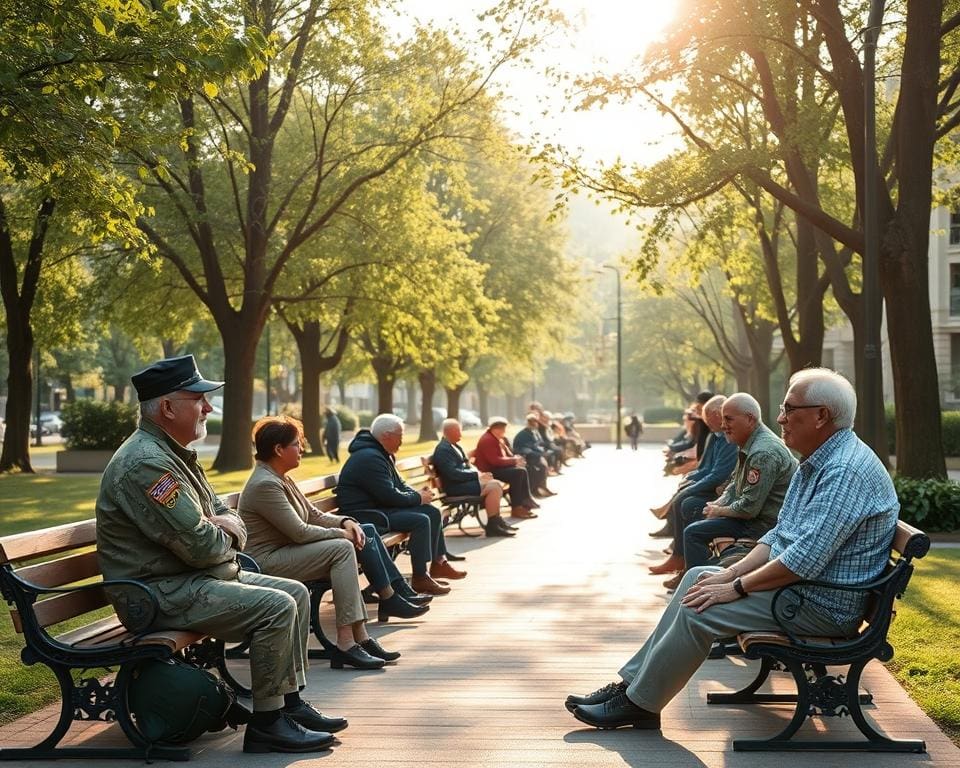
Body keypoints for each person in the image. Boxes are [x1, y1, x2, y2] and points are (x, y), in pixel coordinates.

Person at [565, 368, 898, 731]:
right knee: (697, 577)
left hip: (824, 605)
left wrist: (735, 588)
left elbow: (802, 561)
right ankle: (630, 687)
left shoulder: (844, 471)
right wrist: (730, 573)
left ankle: (640, 704)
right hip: (805, 590)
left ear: (821, 416)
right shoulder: (819, 461)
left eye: (789, 408)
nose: (781, 418)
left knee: (700, 611)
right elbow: (778, 537)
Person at [96, 355, 343, 754]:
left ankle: (287, 706)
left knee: (294, 593)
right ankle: (266, 725)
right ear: (168, 407)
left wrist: (222, 525)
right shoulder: (147, 464)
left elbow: (225, 514)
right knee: (277, 607)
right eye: (199, 398)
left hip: (194, 579)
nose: (209, 407)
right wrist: (219, 529)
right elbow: (201, 546)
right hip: (158, 593)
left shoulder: (174, 453)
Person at [239, 417, 431, 670]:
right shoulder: (265, 484)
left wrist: (346, 523)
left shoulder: (281, 478)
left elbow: (314, 516)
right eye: (297, 445)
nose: (302, 450)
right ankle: (347, 643)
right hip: (266, 561)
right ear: (278, 449)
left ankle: (359, 638)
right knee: (342, 548)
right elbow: (299, 532)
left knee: (351, 539)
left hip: (287, 552)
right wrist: (342, 536)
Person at [336, 414, 464, 596]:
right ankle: (420, 577)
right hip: (369, 515)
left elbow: (399, 486)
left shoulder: (380, 453)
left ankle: (438, 564)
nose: (402, 441)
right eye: (400, 436)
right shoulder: (369, 457)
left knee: (432, 512)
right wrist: (418, 498)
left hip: (381, 508)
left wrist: (417, 495)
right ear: (386, 436)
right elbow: (388, 496)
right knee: (420, 520)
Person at [681, 393, 798, 572]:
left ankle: (699, 582)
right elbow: (735, 484)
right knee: (693, 508)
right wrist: (717, 504)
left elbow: (748, 509)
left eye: (728, 419)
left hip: (764, 525)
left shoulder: (762, 453)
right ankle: (700, 574)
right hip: (755, 518)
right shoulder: (749, 442)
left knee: (693, 532)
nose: (723, 425)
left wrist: (718, 511)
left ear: (750, 419)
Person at [648, 395, 736, 545]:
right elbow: (704, 467)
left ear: (716, 414)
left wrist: (691, 486)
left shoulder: (727, 438)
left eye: (706, 417)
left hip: (721, 489)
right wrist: (691, 479)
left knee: (686, 501)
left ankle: (678, 550)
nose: (705, 422)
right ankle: (678, 549)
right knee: (684, 495)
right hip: (715, 485)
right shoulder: (714, 435)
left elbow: (718, 474)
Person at [432, 419, 516, 537]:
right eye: (458, 431)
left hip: (463, 483)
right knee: (494, 486)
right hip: (455, 488)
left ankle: (495, 522)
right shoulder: (443, 450)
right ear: (449, 432)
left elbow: (467, 466)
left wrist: (481, 475)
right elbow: (453, 474)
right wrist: (476, 476)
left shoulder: (454, 446)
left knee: (494, 483)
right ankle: (493, 525)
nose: (461, 434)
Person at [474, 416, 545, 511]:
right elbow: (495, 461)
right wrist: (514, 461)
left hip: (496, 468)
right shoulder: (488, 440)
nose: (504, 431)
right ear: (497, 429)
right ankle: (517, 506)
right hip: (489, 471)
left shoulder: (496, 438)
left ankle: (525, 500)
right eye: (503, 429)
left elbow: (505, 456)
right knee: (518, 473)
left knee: (522, 470)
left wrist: (516, 459)